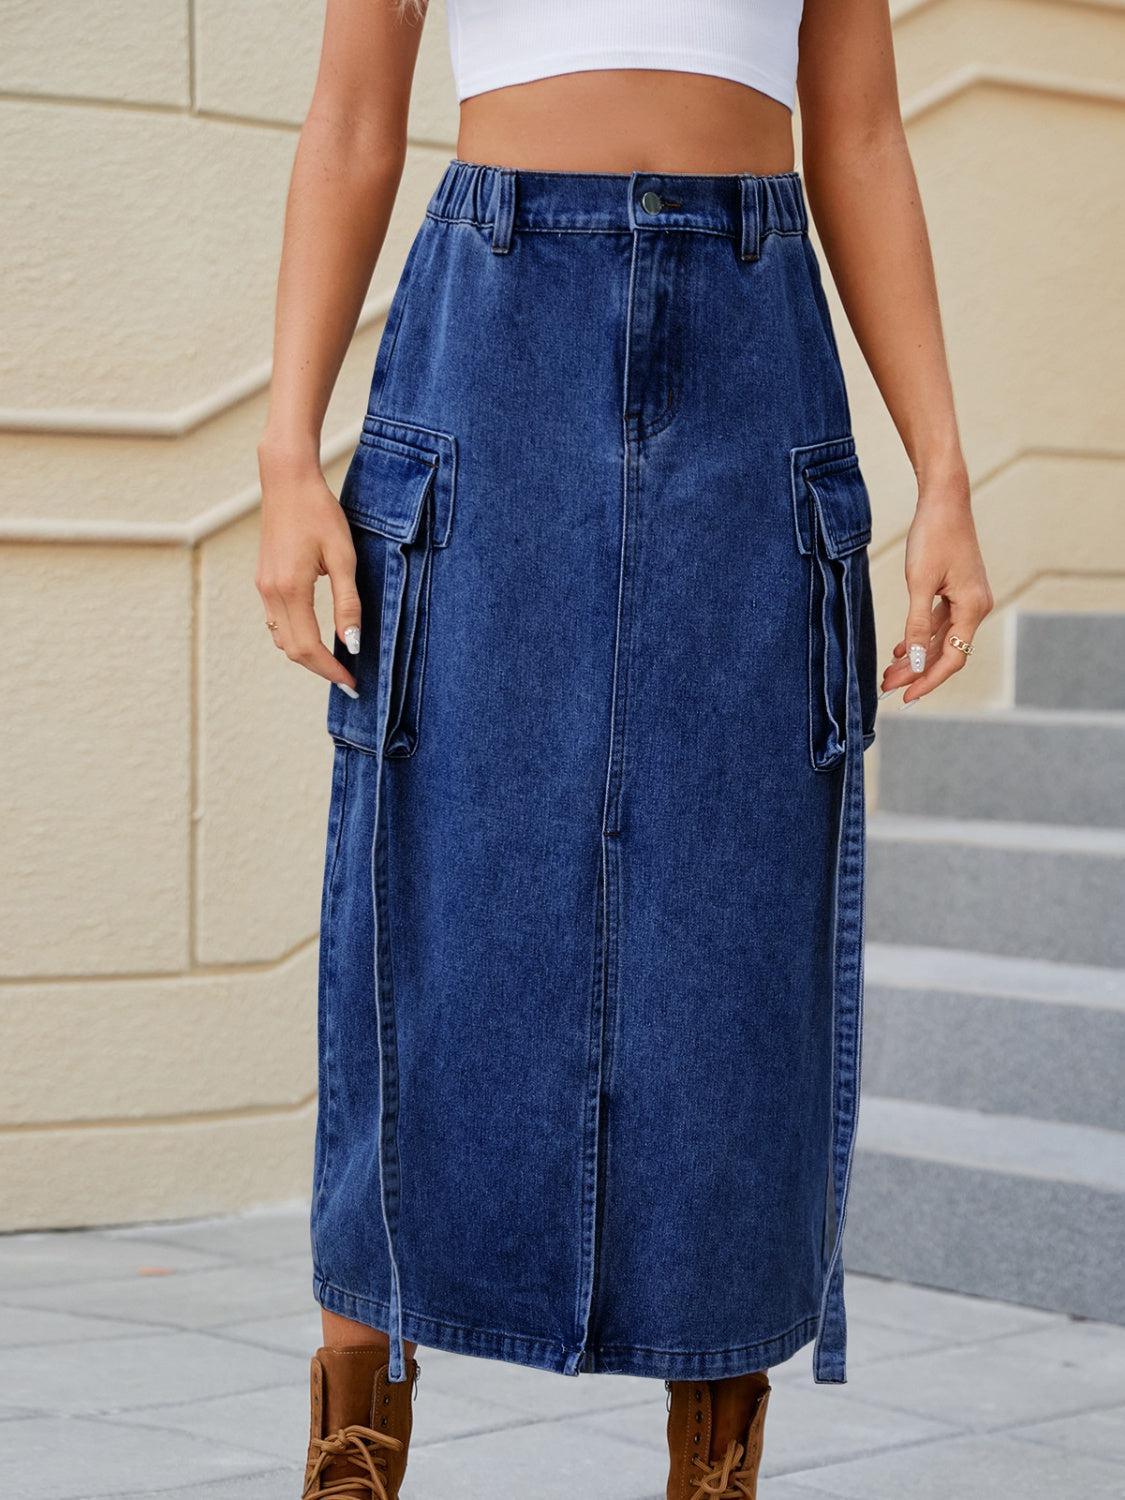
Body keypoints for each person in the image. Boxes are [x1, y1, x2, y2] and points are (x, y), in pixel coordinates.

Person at [256, 2, 993, 1496]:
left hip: (752, 335)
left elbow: (853, 133)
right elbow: (348, 120)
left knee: (728, 946)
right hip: (490, 334)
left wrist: (945, 472)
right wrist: (285, 454)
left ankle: (710, 1475)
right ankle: (351, 1470)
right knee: (429, 912)